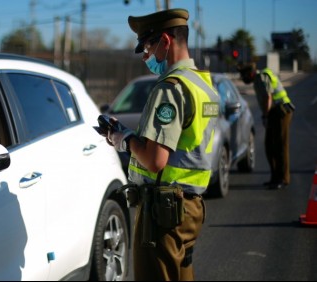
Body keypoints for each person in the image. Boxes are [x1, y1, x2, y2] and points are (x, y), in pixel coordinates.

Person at [105, 8, 220, 281]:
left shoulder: (170, 88)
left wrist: (123, 139)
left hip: (163, 214)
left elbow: (156, 159)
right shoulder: (203, 86)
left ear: (165, 42)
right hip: (189, 209)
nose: (146, 55)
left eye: (147, 46)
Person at [238, 63, 294, 190]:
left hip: (281, 111)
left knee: (280, 145)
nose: (243, 79)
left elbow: (268, 97)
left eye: (244, 75)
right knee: (269, 145)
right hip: (274, 112)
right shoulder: (258, 79)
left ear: (251, 73)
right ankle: (275, 177)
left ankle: (283, 178)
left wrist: (265, 116)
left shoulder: (262, 77)